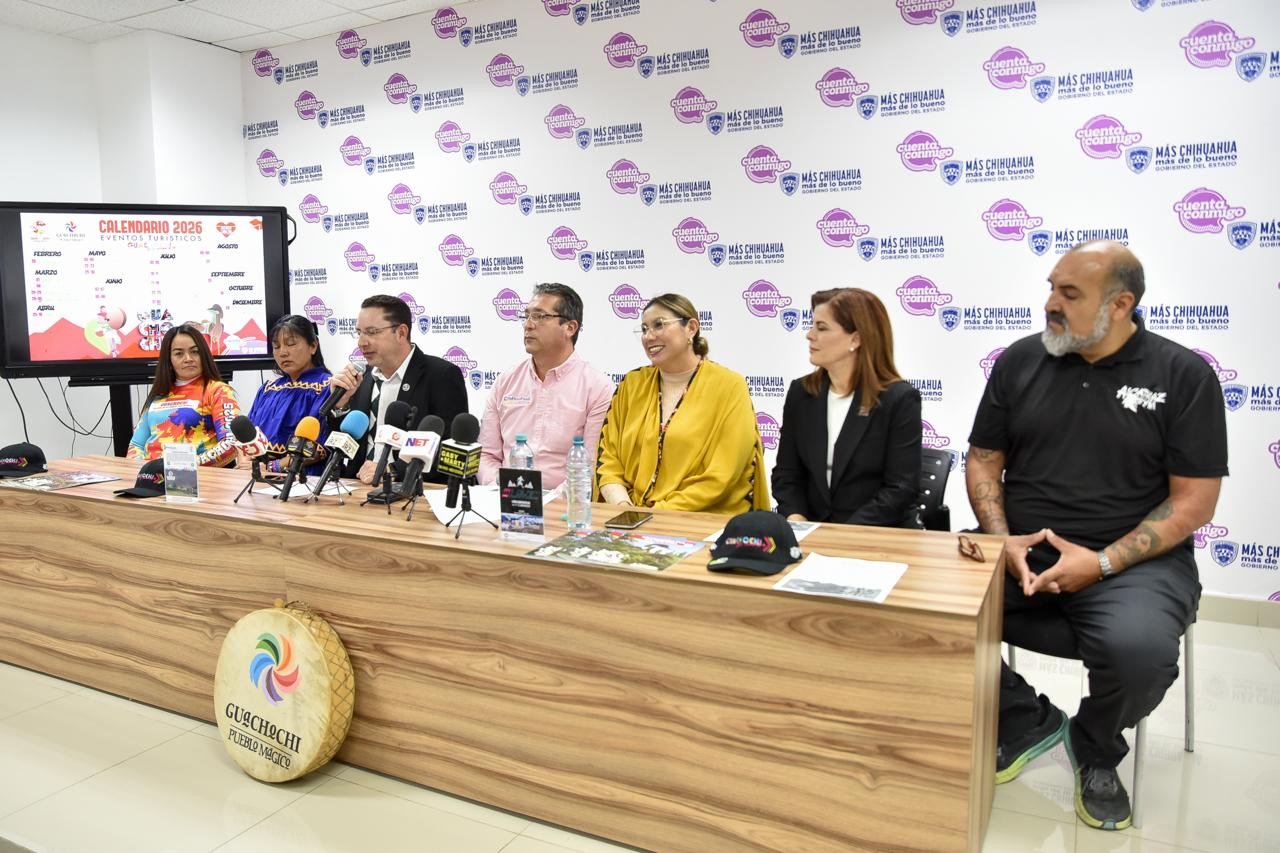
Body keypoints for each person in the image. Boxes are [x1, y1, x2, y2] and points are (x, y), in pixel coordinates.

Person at [966, 241, 1226, 831]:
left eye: (1069, 294)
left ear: (1120, 304)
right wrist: (1002, 539)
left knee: (1139, 655)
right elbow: (984, 458)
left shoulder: (1183, 375)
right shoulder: (1020, 361)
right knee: (918, 603)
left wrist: (1102, 563)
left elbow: (1194, 501)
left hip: (1131, 565)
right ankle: (1026, 718)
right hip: (1018, 549)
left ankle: (1095, 744)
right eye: (1051, 288)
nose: (1050, 304)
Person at [595, 293, 770, 515]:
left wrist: (654, 515)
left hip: (700, 520)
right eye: (644, 329)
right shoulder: (632, 384)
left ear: (691, 328)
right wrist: (623, 506)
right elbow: (608, 459)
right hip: (629, 517)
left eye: (659, 325)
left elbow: (722, 474)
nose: (648, 336)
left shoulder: (729, 386)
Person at [771, 288, 921, 526]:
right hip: (811, 532)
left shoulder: (899, 399)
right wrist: (797, 520)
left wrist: (842, 534)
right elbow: (786, 474)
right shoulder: (801, 393)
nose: (809, 335)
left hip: (876, 533)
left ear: (855, 339)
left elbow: (900, 489)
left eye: (822, 328)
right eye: (812, 326)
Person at [477, 283, 614, 489]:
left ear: (570, 328)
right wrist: (500, 485)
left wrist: (549, 501)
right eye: (526, 316)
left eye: (540, 316)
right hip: (505, 497)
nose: (528, 325)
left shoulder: (598, 388)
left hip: (564, 504)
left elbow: (591, 466)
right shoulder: (506, 381)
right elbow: (486, 454)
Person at [326, 294, 468, 483]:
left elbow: (450, 453)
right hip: (356, 487)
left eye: (371, 332)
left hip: (413, 491)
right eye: (359, 332)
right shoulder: (360, 378)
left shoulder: (441, 375)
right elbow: (341, 448)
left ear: (401, 332)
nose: (361, 342)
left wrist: (391, 470)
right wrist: (340, 406)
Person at [127, 322, 242, 466]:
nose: (188, 358)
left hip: (196, 476)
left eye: (195, 351)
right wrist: (143, 471)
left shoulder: (219, 391)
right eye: (179, 353)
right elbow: (136, 445)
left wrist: (188, 466)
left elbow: (231, 444)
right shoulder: (158, 394)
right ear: (169, 359)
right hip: (151, 475)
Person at [246, 315, 332, 474]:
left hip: (302, 477)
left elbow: (318, 447)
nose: (283, 352)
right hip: (259, 475)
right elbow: (247, 434)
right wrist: (247, 462)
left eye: (291, 344)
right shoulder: (267, 389)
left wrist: (274, 467)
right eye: (276, 346)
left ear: (313, 346)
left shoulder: (326, 386)